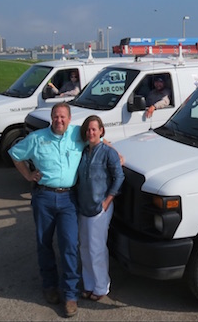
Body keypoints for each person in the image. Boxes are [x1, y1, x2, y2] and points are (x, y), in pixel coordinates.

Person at [9, 102, 83, 318]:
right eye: (56, 117)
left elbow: (97, 137)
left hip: (69, 198)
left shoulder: (77, 134)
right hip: (44, 197)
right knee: (44, 243)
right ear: (51, 118)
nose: (59, 120)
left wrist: (114, 153)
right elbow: (15, 154)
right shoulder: (37, 138)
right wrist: (27, 175)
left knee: (69, 244)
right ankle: (50, 286)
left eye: (63, 117)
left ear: (69, 119)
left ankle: (70, 294)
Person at [77, 115, 125, 302]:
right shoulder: (83, 152)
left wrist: (108, 201)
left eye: (94, 129)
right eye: (88, 129)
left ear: (101, 131)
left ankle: (101, 286)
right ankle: (89, 284)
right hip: (83, 207)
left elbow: (119, 177)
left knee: (97, 248)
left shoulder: (107, 152)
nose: (91, 133)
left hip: (100, 208)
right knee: (85, 247)